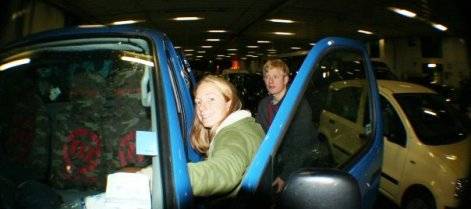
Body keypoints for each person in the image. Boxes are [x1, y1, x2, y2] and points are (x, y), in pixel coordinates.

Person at [140, 75, 264, 197]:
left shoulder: (234, 134)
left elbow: (223, 171)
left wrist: (160, 177)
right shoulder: (245, 125)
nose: (202, 108)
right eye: (198, 102)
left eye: (211, 99)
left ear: (228, 102)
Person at [256, 59, 318, 193]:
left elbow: (301, 146)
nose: (270, 81)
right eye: (267, 77)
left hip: (295, 168)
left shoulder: (298, 105)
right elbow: (258, 137)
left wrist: (285, 176)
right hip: (270, 166)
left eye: (275, 76)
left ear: (285, 80)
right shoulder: (264, 105)